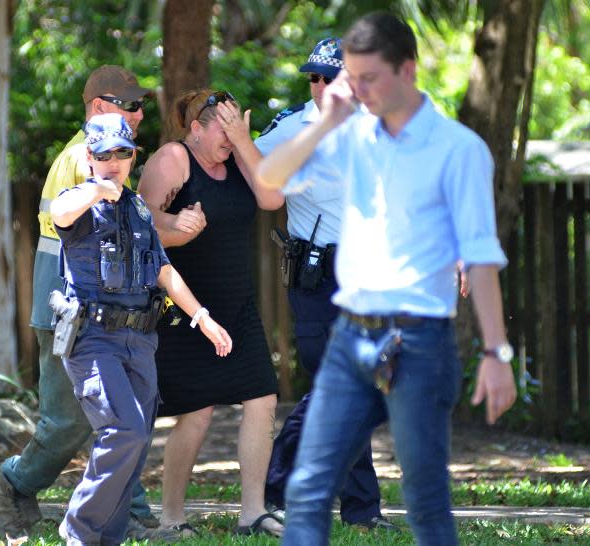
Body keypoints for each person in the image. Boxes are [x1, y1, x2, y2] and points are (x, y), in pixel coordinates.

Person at [257, 12, 517, 545]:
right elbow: (270, 178)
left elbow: (481, 255)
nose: (359, 91)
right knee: (307, 490)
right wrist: (326, 122)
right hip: (349, 333)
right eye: (353, 79)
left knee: (424, 499)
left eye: (369, 78)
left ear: (408, 70)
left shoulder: (459, 148)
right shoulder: (350, 136)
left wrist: (496, 353)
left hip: (418, 338)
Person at [0, 65, 161, 540]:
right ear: (100, 106)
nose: (139, 113)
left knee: (103, 416)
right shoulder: (88, 156)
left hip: (78, 308)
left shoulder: (97, 152)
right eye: (130, 104)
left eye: (140, 104)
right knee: (70, 421)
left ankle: (127, 510)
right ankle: (9, 487)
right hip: (72, 310)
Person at [51, 112, 233, 545]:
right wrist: (98, 189)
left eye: (122, 152)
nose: (114, 161)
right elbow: (59, 212)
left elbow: (163, 271)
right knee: (123, 431)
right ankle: (78, 531)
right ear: (90, 157)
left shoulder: (137, 209)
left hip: (139, 340)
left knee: (134, 448)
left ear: (134, 157)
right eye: (104, 153)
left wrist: (201, 316)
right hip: (94, 339)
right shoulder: (79, 201)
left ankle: (104, 538)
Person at [254, 37, 394, 531]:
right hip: (317, 276)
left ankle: (357, 510)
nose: (317, 86)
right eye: (312, 76)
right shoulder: (293, 127)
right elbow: (250, 170)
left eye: (328, 77)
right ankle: (275, 487)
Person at [137, 89, 286, 537]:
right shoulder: (174, 159)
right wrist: (177, 225)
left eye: (237, 123)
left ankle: (253, 511)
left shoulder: (240, 156)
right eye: (223, 127)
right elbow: (140, 221)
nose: (232, 134)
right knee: (197, 413)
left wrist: (242, 141)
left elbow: (272, 198)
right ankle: (171, 516)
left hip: (237, 303)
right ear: (195, 129)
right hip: (184, 307)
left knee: (262, 398)